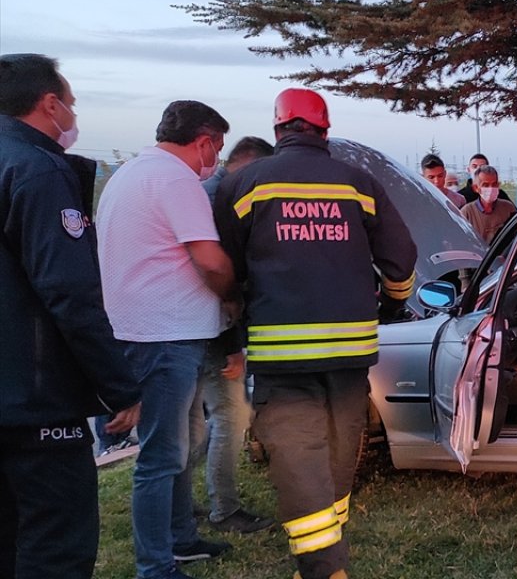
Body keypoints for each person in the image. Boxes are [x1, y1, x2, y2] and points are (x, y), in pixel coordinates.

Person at [214, 88, 417, 579]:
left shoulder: (245, 185)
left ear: (278, 129)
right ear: (324, 130)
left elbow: (227, 270)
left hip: (282, 356)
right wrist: (393, 301)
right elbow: (401, 259)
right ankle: (328, 559)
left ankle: (324, 567)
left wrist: (236, 316)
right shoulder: (358, 182)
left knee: (299, 458)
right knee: (338, 451)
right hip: (350, 354)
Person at [0, 53, 142, 579]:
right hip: (34, 404)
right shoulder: (36, 170)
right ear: (50, 103)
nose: (73, 117)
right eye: (72, 104)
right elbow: (68, 292)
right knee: (54, 545)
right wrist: (119, 386)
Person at [97, 100, 238, 579]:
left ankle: (180, 538)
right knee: (160, 457)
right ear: (203, 142)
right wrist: (233, 299)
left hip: (149, 327)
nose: (213, 159)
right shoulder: (177, 180)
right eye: (215, 148)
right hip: (165, 333)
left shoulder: (131, 172)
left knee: (175, 448)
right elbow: (211, 261)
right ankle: (155, 566)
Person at [192, 135, 276, 535]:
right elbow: (219, 278)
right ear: (251, 166)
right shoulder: (218, 202)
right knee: (230, 415)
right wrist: (232, 344)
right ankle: (224, 509)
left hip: (193, 327)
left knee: (192, 423)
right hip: (211, 330)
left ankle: (178, 503)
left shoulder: (207, 193)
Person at [459, 164, 517, 243]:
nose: (490, 188)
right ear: (476, 188)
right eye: (485, 185)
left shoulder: (508, 208)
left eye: (494, 184)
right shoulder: (467, 212)